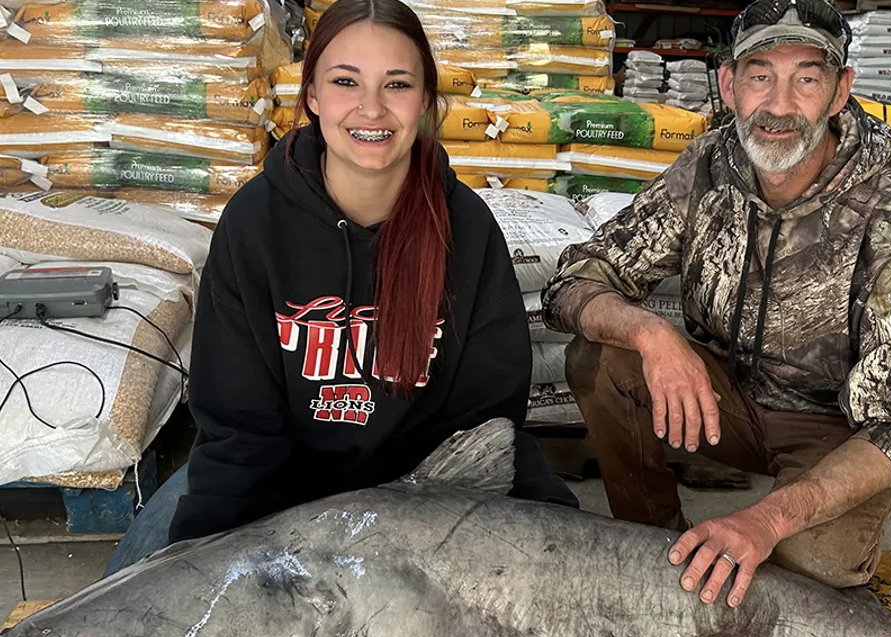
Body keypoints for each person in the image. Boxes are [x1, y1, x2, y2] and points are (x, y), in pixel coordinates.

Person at [103, 0, 577, 576]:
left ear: (425, 101)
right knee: (143, 589)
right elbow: (240, 430)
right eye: (345, 81)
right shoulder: (255, 224)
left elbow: (482, 428)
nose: (371, 108)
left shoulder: (466, 227)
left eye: (396, 84)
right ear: (311, 97)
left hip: (430, 494)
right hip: (279, 485)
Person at [541, 0, 891, 609]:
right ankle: (654, 543)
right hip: (721, 402)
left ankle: (782, 530)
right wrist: (653, 334)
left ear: (840, 91)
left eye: (807, 78)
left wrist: (767, 520)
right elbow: (577, 277)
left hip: (831, 430)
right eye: (760, 75)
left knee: (806, 575)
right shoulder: (708, 167)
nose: (780, 105)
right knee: (600, 356)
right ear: (730, 85)